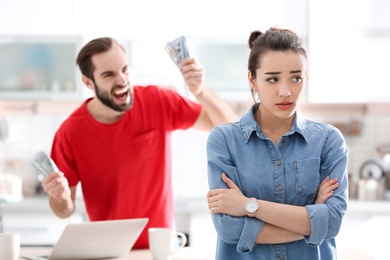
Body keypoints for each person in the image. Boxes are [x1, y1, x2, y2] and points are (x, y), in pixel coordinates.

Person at [41, 37, 238, 248]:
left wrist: (200, 90)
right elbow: (63, 210)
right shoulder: (70, 132)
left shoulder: (157, 101)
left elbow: (230, 128)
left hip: (159, 248)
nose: (122, 80)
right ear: (88, 82)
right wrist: (60, 197)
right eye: (109, 75)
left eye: (125, 69)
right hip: (109, 251)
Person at [206, 27, 348, 259]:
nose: (285, 91)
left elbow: (331, 223)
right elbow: (230, 229)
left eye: (296, 78)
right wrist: (310, 219)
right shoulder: (224, 140)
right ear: (252, 79)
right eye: (272, 79)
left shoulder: (328, 140)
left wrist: (248, 206)